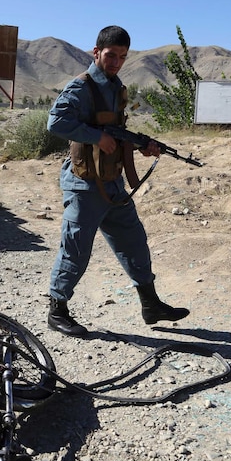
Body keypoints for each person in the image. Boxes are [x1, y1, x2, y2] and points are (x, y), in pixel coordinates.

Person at [45, 25, 189, 337]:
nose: (116, 62)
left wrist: (142, 145)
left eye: (122, 57)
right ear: (95, 52)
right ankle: (57, 310)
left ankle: (150, 304)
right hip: (84, 185)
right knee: (76, 248)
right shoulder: (81, 88)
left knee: (134, 242)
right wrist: (96, 136)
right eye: (111, 55)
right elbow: (56, 122)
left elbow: (118, 133)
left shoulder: (115, 87)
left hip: (111, 183)